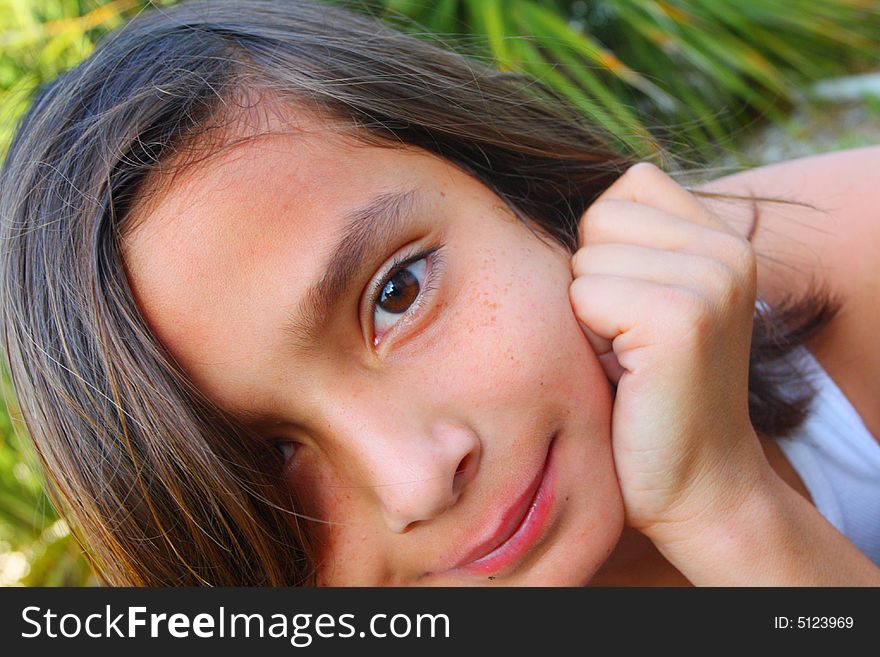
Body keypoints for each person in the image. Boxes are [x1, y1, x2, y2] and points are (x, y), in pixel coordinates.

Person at [0, 0, 877, 586]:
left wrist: (726, 506)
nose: (417, 480)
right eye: (268, 456)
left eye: (398, 292)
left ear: (519, 187)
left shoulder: (853, 255)